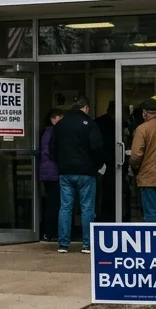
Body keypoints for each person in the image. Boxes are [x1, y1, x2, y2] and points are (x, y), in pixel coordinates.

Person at [51, 95, 104, 253]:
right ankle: (87, 244)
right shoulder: (89, 124)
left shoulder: (60, 124)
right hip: (86, 172)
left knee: (65, 207)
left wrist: (61, 163)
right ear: (86, 108)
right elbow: (97, 147)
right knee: (87, 208)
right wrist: (97, 165)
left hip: (66, 172)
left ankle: (63, 244)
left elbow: (52, 148)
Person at [39, 109, 63, 241]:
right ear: (53, 119)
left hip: (47, 172)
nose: (61, 121)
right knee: (54, 204)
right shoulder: (51, 133)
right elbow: (51, 152)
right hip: (52, 172)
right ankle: (50, 232)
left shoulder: (46, 132)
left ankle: (49, 231)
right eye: (60, 118)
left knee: (52, 203)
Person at [94, 101, 117, 222]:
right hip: (107, 161)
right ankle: (107, 218)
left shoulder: (99, 121)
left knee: (106, 192)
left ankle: (107, 217)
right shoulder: (107, 122)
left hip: (106, 161)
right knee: (107, 191)